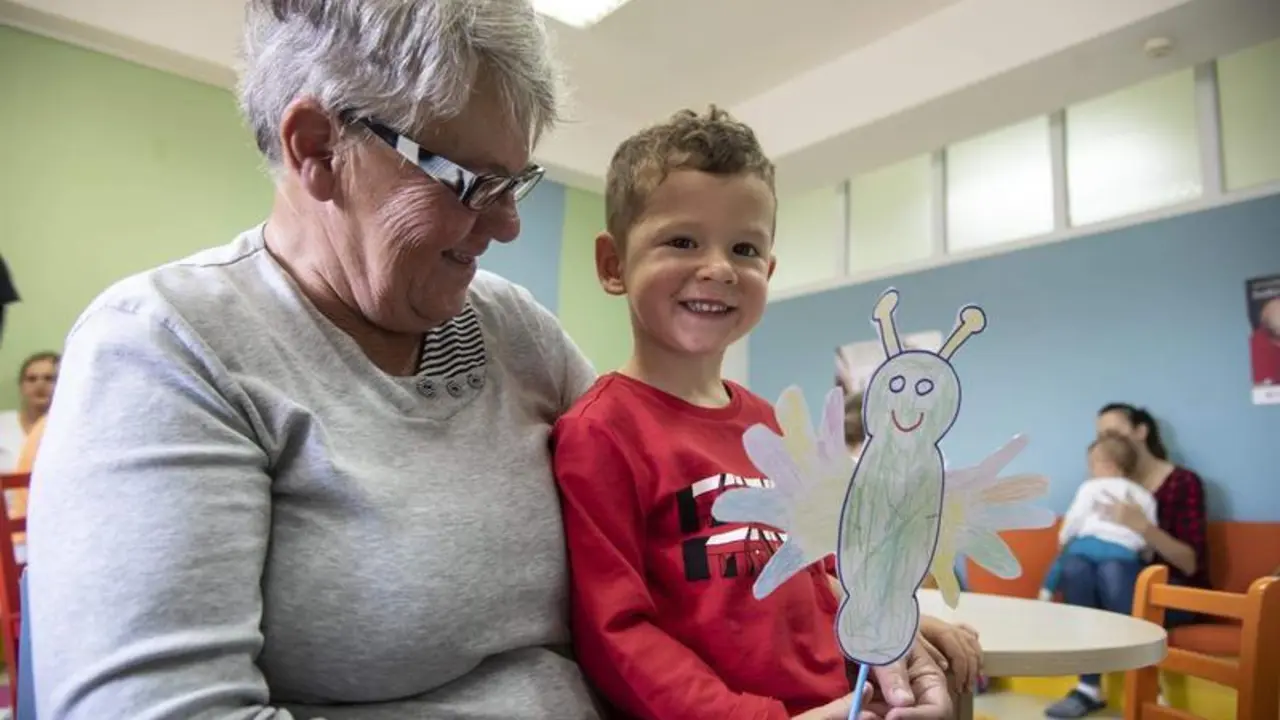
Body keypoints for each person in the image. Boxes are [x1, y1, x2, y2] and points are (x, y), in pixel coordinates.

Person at [27, 1, 607, 717]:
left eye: (514, 182)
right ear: (317, 148)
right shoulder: (169, 345)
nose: (508, 224)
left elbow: (659, 507)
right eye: (470, 183)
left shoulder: (514, 329)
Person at [553, 106, 954, 720]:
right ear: (613, 265)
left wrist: (895, 630)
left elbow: (819, 574)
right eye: (681, 240)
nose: (718, 268)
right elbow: (617, 634)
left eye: (744, 248)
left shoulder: (771, 424)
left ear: (766, 271)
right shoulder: (599, 431)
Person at [1044, 403, 1209, 718]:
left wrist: (1142, 527)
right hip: (1109, 587)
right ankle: (1088, 687)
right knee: (1079, 566)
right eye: (1100, 436)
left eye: (1112, 432)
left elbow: (1191, 564)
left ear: (1140, 432)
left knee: (1111, 570)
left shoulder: (1182, 482)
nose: (1105, 442)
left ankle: (1145, 681)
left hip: (1170, 593)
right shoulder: (1100, 487)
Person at [1039, 433, 1156, 601]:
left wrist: (1063, 538)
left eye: (1092, 465)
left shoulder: (1091, 487)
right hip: (1124, 552)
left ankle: (1045, 593)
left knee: (1062, 561)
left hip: (1088, 545)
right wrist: (1142, 551)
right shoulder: (1144, 495)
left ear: (1108, 466)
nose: (1090, 470)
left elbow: (1075, 517)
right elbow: (1148, 529)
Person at [0, 351, 58, 472]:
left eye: (49, 378)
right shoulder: (2, 425)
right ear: (21, 386)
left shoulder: (71, 429)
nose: (40, 384)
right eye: (31, 379)